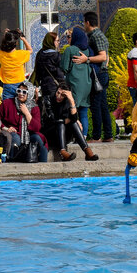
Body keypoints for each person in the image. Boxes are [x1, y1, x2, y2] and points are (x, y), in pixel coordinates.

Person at [76, 11, 113, 142]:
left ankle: (97, 136)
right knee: (103, 105)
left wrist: (87, 59)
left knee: (96, 105)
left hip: (100, 75)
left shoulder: (97, 36)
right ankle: (108, 135)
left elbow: (103, 56)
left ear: (87, 22)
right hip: (101, 74)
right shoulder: (95, 35)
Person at [0, 80, 48, 162]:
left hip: (28, 135)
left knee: (38, 138)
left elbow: (36, 128)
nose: (21, 94)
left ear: (30, 94)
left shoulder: (34, 107)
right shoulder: (7, 103)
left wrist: (27, 113)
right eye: (19, 91)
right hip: (12, 133)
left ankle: (43, 164)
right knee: (15, 138)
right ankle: (12, 163)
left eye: (24, 92)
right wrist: (5, 128)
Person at [48, 80, 98, 162]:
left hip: (64, 135)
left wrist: (71, 100)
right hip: (51, 133)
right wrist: (64, 121)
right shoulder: (49, 99)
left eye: (63, 95)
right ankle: (63, 152)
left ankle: (87, 150)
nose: (59, 96)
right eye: (58, 93)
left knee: (74, 123)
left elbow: (73, 119)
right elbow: (50, 119)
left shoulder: (68, 101)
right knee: (62, 123)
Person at [60, 27, 93, 138]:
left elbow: (64, 67)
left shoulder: (69, 50)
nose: (68, 39)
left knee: (73, 110)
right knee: (83, 112)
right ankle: (83, 136)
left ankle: (74, 135)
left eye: (69, 37)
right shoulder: (87, 50)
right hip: (87, 85)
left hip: (74, 84)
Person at [0, 30, 31, 100]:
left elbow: (2, 48)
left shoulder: (0, 54)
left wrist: (6, 36)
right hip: (19, 84)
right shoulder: (20, 54)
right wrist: (23, 39)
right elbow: (30, 50)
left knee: (8, 107)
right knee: (20, 106)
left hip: (7, 85)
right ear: (16, 43)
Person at [33, 31, 64, 100]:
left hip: (44, 86)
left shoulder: (40, 54)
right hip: (55, 86)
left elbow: (37, 71)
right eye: (57, 40)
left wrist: (37, 86)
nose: (58, 42)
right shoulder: (56, 55)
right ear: (51, 41)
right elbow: (60, 73)